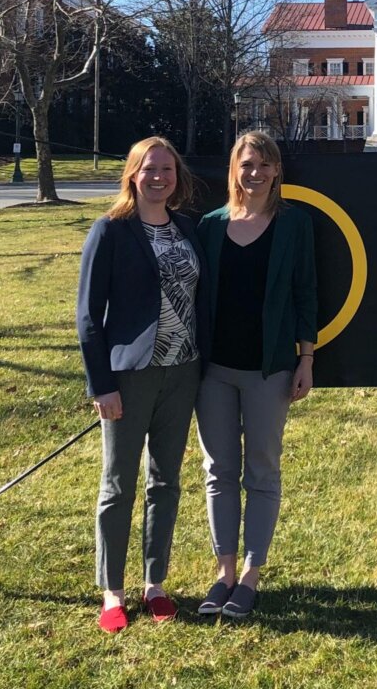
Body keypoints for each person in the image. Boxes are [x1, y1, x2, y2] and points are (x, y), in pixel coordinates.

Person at [77, 136, 209, 633]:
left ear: (177, 177)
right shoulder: (110, 231)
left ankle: (155, 583)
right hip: (129, 377)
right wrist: (101, 384)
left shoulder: (188, 230)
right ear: (133, 174)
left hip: (183, 372)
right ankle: (113, 590)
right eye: (149, 169)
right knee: (118, 485)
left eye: (167, 170)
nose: (159, 177)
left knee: (166, 481)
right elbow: (89, 316)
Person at [194, 131, 317, 619]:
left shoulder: (294, 225)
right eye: (248, 164)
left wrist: (306, 359)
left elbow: (306, 292)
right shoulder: (209, 226)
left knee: (261, 472)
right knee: (218, 472)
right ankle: (223, 573)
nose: (256, 173)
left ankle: (250, 576)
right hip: (214, 372)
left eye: (265, 164)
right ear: (235, 170)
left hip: (269, 370)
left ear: (276, 171)